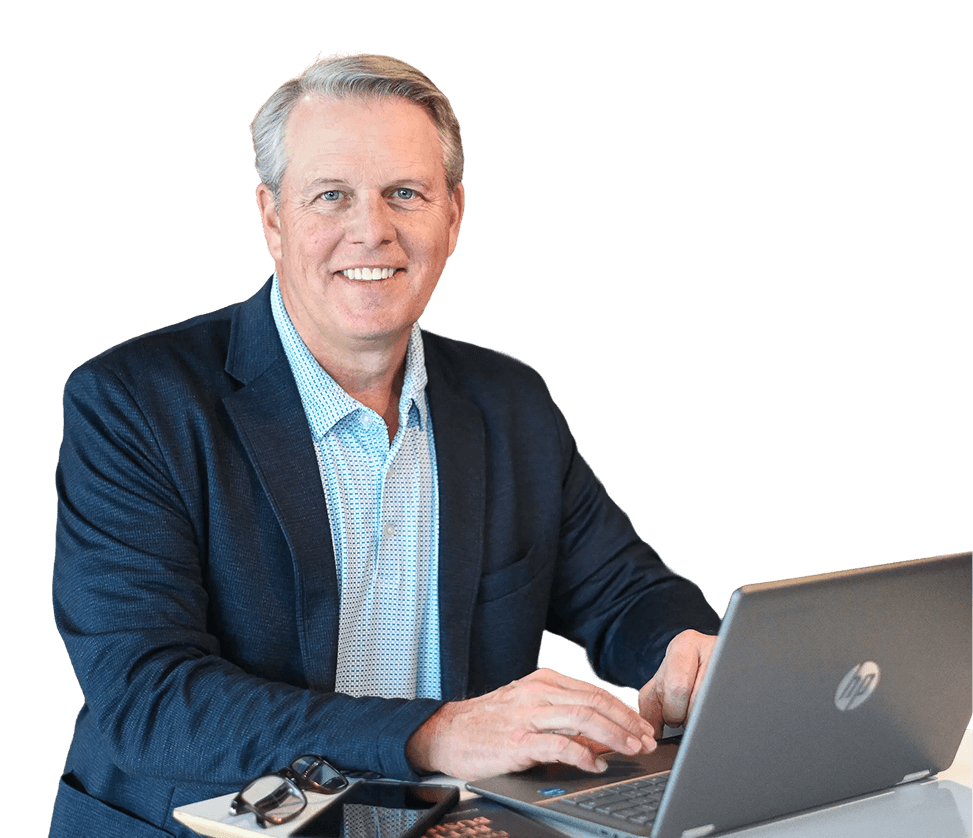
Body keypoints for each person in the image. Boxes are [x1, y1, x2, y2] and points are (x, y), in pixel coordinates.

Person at [51, 53, 721, 838]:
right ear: (272, 218)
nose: (371, 230)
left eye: (405, 193)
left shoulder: (509, 399)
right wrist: (431, 733)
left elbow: (621, 591)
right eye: (331, 195)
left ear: (453, 215)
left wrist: (685, 647)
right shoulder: (133, 401)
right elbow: (147, 698)